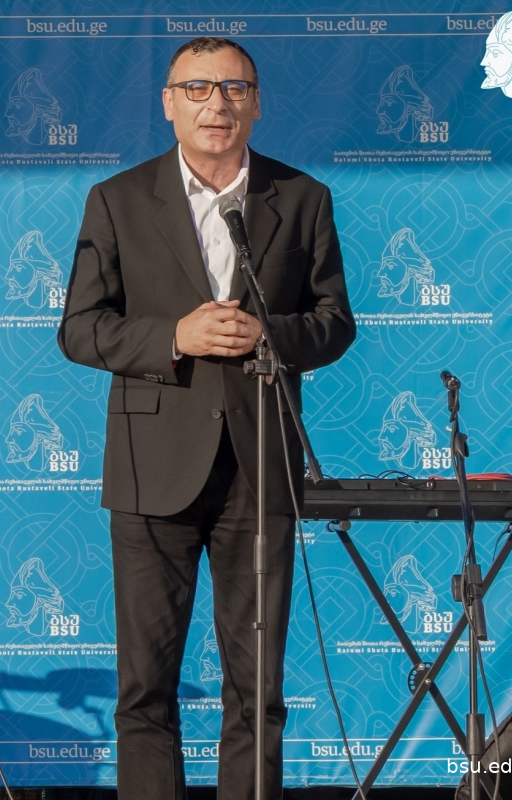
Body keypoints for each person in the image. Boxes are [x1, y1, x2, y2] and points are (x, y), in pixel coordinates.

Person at [58, 36, 355, 799]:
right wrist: (174, 337)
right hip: (151, 469)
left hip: (261, 470)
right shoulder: (119, 200)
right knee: (146, 692)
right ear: (169, 103)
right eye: (197, 88)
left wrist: (269, 334)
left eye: (233, 88)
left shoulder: (302, 198)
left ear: (256, 103)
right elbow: (80, 329)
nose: (216, 104)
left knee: (257, 690)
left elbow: (335, 323)